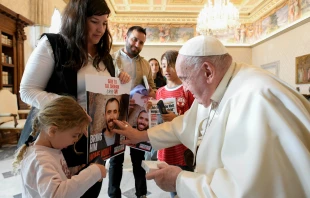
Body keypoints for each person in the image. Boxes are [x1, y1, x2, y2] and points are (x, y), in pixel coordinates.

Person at [111, 35, 310, 197]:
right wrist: (141, 136)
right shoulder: (217, 88)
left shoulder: (256, 98)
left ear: (207, 71)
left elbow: (243, 190)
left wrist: (180, 180)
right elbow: (184, 125)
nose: (185, 87)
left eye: (186, 79)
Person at [18, 0, 130, 197]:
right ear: (77, 20)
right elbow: (27, 90)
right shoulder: (54, 45)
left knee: (91, 190)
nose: (101, 29)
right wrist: (71, 108)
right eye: (95, 21)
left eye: (105, 23)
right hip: (61, 140)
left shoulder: (105, 57)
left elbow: (105, 95)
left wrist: (119, 82)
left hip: (94, 145)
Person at [12, 96, 107, 197]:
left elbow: (56, 172)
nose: (75, 140)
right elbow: (57, 194)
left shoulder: (50, 150)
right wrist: (92, 172)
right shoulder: (40, 160)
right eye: (74, 135)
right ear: (52, 131)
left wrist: (77, 171)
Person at [110, 25, 156, 198]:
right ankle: (114, 195)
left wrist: (151, 92)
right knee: (116, 160)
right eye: (135, 39)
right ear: (126, 37)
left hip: (137, 118)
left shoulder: (145, 64)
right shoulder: (112, 59)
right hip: (117, 116)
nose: (137, 44)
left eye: (141, 42)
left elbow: (152, 87)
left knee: (139, 159)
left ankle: (141, 194)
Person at [149, 50, 195, 198]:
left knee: (187, 188)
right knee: (172, 188)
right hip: (166, 150)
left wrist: (177, 118)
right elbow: (155, 121)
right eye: (163, 66)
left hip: (184, 149)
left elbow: (196, 118)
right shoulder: (160, 92)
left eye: (171, 65)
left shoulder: (187, 89)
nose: (166, 70)